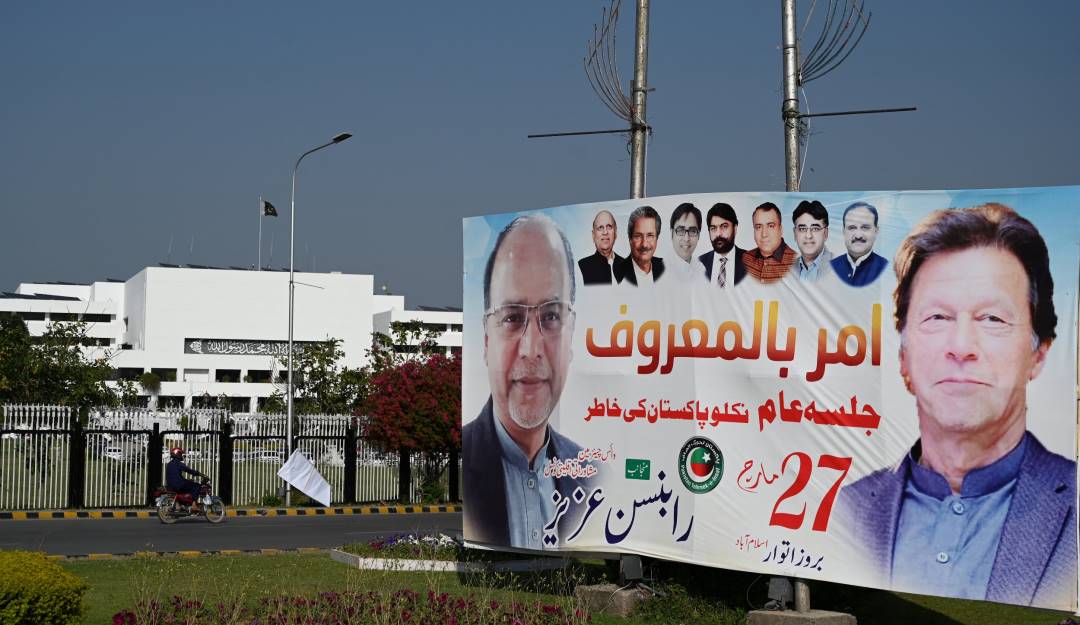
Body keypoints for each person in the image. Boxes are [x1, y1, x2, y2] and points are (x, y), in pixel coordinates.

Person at [839, 203, 1075, 607]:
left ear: (1038, 353)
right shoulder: (850, 508)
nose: (962, 348)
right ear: (903, 355)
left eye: (993, 319)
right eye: (937, 317)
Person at [463, 215, 591, 549]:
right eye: (512, 317)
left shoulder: (590, 474)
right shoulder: (467, 462)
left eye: (551, 316)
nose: (531, 349)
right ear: (487, 340)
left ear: (571, 332)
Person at [831, 201, 888, 286]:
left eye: (865, 227)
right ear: (843, 231)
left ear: (876, 231)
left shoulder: (886, 269)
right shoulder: (830, 268)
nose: (858, 235)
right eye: (852, 228)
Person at [743, 202, 796, 283]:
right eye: (758, 227)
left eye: (771, 226)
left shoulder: (796, 262)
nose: (764, 234)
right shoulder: (745, 259)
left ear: (780, 229)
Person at [698, 202, 746, 288]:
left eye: (724, 226)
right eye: (713, 228)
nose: (718, 234)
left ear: (735, 229)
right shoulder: (698, 264)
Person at [615, 206, 665, 286]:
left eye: (650, 235)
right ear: (630, 239)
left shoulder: (667, 268)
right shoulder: (615, 274)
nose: (644, 244)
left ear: (657, 238)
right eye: (638, 236)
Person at [790, 200, 833, 281]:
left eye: (815, 228)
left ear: (825, 233)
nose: (808, 235)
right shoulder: (787, 270)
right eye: (802, 229)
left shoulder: (839, 268)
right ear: (795, 234)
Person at [578, 210, 623, 285]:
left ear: (615, 233)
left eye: (609, 227)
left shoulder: (628, 267)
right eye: (600, 228)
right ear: (593, 235)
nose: (605, 232)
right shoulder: (582, 267)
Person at [668, 203, 702, 282]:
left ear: (699, 235)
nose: (686, 239)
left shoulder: (701, 269)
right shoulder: (658, 271)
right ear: (672, 233)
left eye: (692, 231)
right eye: (681, 230)